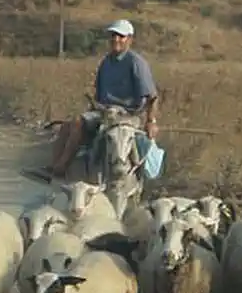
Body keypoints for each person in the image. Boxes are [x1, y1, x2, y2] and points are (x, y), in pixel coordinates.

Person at [45, 19, 159, 179]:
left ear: (129, 39)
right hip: (105, 112)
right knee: (67, 127)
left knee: (79, 122)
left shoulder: (136, 63)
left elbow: (152, 96)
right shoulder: (106, 62)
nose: (116, 40)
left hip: (128, 115)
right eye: (113, 36)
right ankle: (54, 167)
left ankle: (62, 167)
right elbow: (100, 95)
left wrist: (151, 121)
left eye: (121, 36)